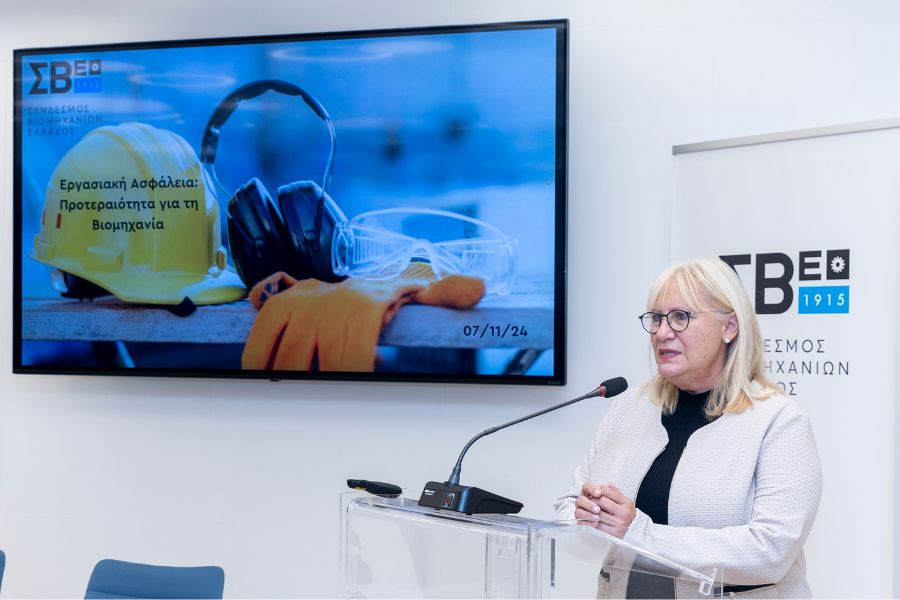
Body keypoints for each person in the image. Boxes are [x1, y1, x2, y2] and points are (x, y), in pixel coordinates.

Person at [554, 258, 822, 599]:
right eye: (656, 318)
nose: (663, 332)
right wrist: (587, 517)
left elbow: (771, 552)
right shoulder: (628, 408)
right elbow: (569, 504)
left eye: (681, 317)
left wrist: (639, 532)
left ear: (730, 328)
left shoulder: (778, 422)